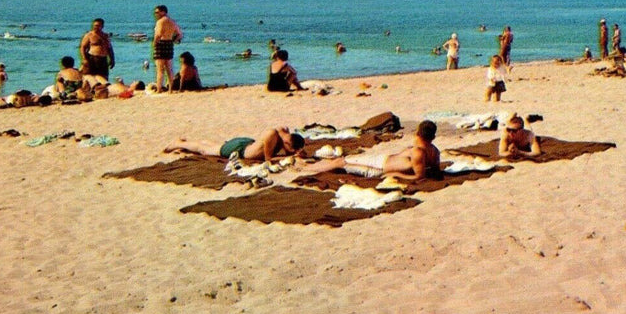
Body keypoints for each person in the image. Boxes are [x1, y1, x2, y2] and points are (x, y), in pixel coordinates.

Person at [302, 120, 441, 180]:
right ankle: (309, 166)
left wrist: (396, 175)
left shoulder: (418, 152)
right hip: (380, 162)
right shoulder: (434, 151)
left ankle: (306, 169)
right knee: (340, 161)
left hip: (379, 168)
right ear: (433, 136)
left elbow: (419, 176)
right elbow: (434, 170)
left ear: (418, 134)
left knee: (341, 163)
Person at [164, 127, 306, 162]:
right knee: (205, 150)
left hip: (247, 144)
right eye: (291, 149)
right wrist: (290, 158)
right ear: (287, 142)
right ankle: (177, 144)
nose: (290, 152)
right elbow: (268, 159)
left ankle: (186, 142)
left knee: (214, 145)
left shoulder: (283, 134)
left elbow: (287, 142)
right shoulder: (272, 134)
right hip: (241, 149)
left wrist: (295, 153)